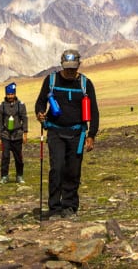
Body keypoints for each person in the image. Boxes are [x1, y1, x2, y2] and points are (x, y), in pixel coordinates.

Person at [35, 49, 99, 219]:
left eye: (73, 68)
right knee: (57, 169)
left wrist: (91, 135)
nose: (70, 71)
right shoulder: (51, 80)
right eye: (67, 68)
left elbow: (94, 111)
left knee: (73, 171)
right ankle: (54, 208)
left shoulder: (86, 84)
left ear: (78, 66)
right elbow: (40, 102)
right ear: (62, 65)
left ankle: (70, 206)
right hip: (55, 131)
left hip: (77, 134)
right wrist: (40, 113)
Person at [0, 82, 28, 184]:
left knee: (18, 157)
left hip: (17, 135)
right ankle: (4, 176)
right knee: (5, 156)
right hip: (5, 135)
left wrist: (25, 133)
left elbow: (25, 119)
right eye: (8, 94)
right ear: (6, 94)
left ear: (14, 94)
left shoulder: (21, 105)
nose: (10, 96)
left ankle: (19, 175)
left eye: (12, 94)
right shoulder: (1, 107)